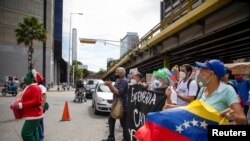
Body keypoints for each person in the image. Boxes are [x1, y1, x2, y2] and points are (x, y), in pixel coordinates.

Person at [195, 59, 247, 124]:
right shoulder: (202, 89)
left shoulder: (227, 90)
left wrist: (233, 117)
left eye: (201, 71)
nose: (198, 75)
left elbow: (243, 120)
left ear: (212, 73)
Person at [11, 69, 44, 141]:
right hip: (32, 114)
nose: (25, 78)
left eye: (27, 76)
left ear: (32, 79)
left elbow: (36, 101)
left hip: (34, 115)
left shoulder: (35, 87)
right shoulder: (30, 87)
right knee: (34, 132)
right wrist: (15, 103)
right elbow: (25, 97)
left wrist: (21, 105)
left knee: (26, 133)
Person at [103, 67, 129, 141]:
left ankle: (125, 138)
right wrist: (110, 85)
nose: (115, 72)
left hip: (122, 106)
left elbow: (118, 92)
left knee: (123, 123)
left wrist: (110, 85)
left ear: (121, 73)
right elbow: (114, 91)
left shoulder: (124, 81)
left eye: (117, 71)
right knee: (111, 120)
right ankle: (111, 137)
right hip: (116, 104)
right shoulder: (118, 80)